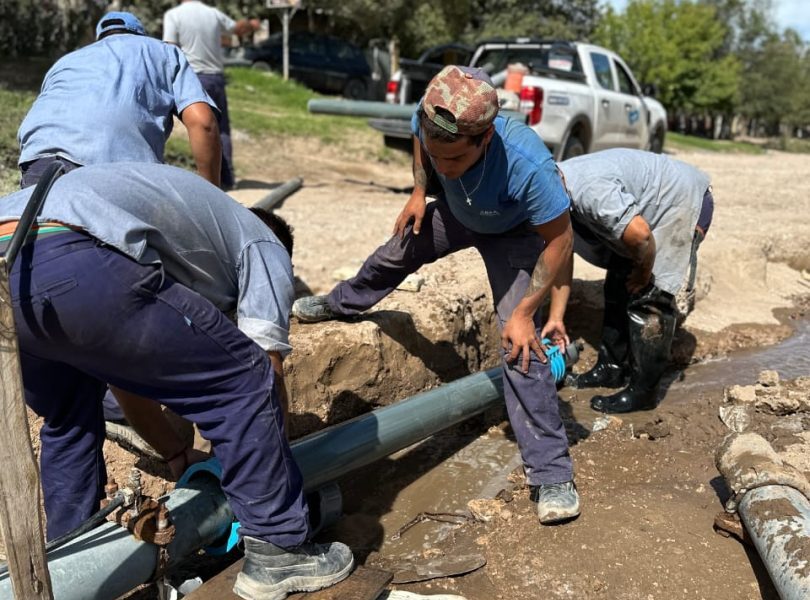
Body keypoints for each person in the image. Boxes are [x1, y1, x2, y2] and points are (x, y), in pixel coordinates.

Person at [0, 163, 353, 599]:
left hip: (13, 256)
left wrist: (176, 454)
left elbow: (124, 370)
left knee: (70, 415)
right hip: (68, 249)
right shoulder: (263, 241)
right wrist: (270, 469)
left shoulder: (187, 236)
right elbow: (265, 369)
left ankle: (73, 569)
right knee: (244, 376)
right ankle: (280, 551)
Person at [293, 65, 580, 524]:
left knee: (520, 348)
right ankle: (340, 304)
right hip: (460, 213)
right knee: (395, 252)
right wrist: (420, 190)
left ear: (484, 140)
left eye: (455, 162)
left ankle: (552, 473)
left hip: (515, 234)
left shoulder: (528, 166)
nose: (444, 166)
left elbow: (561, 241)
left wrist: (526, 311)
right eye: (437, 157)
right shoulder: (432, 116)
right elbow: (418, 141)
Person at [559, 148, 714, 414]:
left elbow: (641, 236)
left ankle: (645, 392)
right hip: (648, 205)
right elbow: (559, 251)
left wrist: (643, 274)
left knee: (651, 298)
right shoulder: (557, 183)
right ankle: (612, 369)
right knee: (618, 284)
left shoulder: (590, 191)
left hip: (679, 203)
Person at [17, 11, 221, 189]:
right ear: (140, 34)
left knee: (49, 233)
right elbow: (203, 123)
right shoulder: (164, 52)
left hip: (37, 160)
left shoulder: (65, 61)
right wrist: (214, 198)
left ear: (100, 38)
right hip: (113, 165)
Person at [163, 1, 260, 190]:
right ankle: (226, 179)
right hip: (216, 77)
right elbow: (238, 29)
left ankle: (208, 183)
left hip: (193, 77)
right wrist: (251, 24)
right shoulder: (213, 13)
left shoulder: (174, 15)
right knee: (221, 128)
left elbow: (169, 49)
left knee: (200, 127)